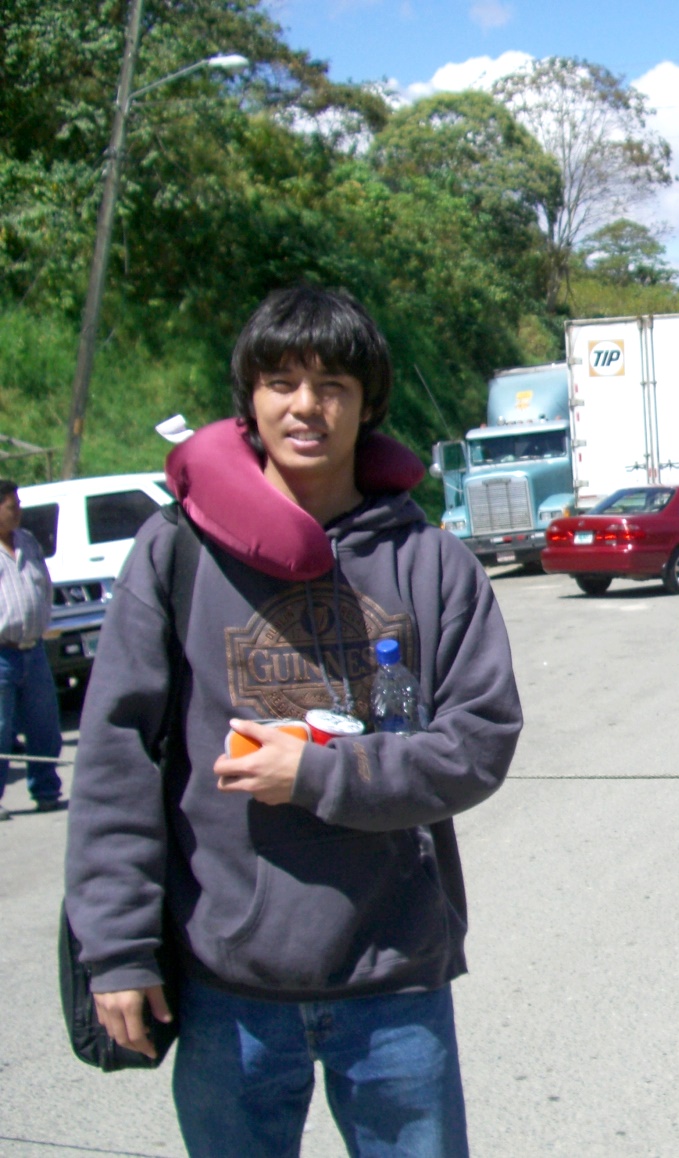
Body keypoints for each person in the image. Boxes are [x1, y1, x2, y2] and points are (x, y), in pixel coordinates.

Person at [65, 286, 523, 1154]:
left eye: (333, 386)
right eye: (280, 382)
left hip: (394, 980)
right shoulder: (177, 553)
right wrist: (117, 949)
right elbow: (117, 759)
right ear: (250, 399)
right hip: (228, 986)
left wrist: (315, 775)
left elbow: (478, 742)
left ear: (368, 404)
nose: (306, 406)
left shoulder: (431, 563)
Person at [0, 478, 64, 819]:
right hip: (2, 653)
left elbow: (44, 585)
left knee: (44, 727)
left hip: (34, 649)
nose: (18, 512)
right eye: (12, 506)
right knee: (0, 730)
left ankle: (46, 790)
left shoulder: (27, 541)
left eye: (18, 505)